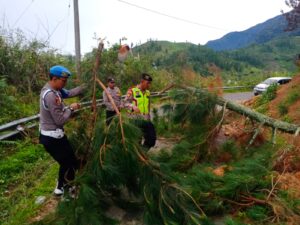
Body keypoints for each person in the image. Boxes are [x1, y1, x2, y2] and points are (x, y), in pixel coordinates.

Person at [39, 65, 84, 196]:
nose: (65, 84)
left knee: (69, 162)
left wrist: (85, 86)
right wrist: (71, 108)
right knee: (68, 163)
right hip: (52, 138)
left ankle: (61, 187)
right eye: (63, 81)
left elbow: (69, 93)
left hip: (57, 136)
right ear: (54, 79)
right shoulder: (50, 96)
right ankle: (67, 190)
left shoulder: (56, 90)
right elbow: (60, 120)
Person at [124, 73, 156, 149]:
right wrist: (132, 106)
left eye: (150, 83)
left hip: (145, 119)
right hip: (135, 120)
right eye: (147, 83)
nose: (149, 85)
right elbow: (124, 103)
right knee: (137, 141)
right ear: (142, 81)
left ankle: (144, 151)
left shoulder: (148, 92)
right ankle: (139, 156)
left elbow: (148, 104)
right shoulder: (132, 90)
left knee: (151, 139)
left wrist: (148, 116)